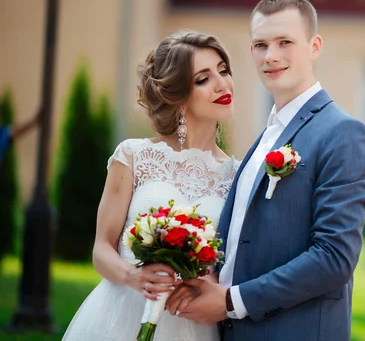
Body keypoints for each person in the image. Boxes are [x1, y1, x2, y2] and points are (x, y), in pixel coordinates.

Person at [166, 0, 365, 340]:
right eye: (261, 44)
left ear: (314, 46)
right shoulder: (265, 137)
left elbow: (334, 258)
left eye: (285, 42)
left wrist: (231, 301)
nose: (272, 56)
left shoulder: (343, 133)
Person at [62, 30, 238, 340]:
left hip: (195, 323)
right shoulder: (133, 156)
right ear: (178, 96)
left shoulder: (238, 175)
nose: (222, 84)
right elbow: (102, 248)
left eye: (223, 70)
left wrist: (208, 282)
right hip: (121, 314)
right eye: (203, 79)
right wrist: (134, 276)